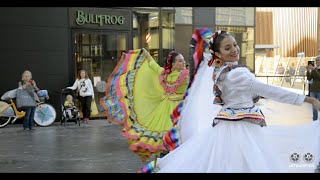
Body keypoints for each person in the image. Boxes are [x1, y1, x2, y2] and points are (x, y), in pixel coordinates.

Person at [139, 29, 320, 173]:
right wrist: (308, 99)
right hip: (242, 130)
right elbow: (270, 91)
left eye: (234, 45)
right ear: (218, 53)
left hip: (227, 126)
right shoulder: (237, 74)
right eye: (227, 48)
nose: (234, 49)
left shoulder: (220, 72)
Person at [100, 49, 189, 162]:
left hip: (178, 108)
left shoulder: (185, 74)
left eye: (183, 60)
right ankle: (166, 159)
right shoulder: (165, 74)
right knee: (165, 134)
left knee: (177, 134)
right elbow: (154, 66)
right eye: (180, 61)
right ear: (173, 64)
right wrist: (147, 55)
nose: (183, 63)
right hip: (166, 109)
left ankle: (173, 158)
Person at [306, 56, 320, 121]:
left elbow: (319, 76)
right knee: (314, 105)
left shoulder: (315, 70)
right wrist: (308, 71)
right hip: (313, 90)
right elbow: (309, 78)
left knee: (319, 105)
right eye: (316, 60)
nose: (316, 62)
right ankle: (315, 120)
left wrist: (313, 70)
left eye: (317, 60)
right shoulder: (315, 69)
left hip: (319, 90)